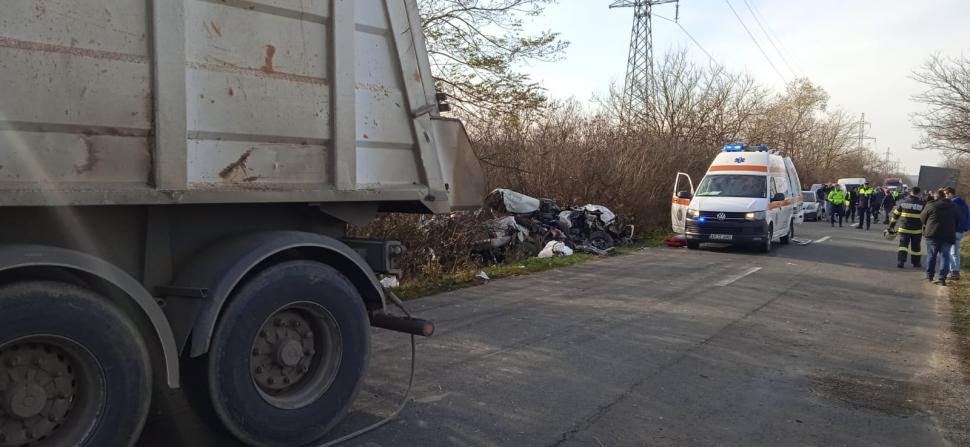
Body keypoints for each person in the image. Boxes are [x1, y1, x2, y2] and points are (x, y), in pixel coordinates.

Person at [921, 188, 961, 285]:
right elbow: (958, 220)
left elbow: (922, 218)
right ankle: (942, 278)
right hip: (948, 235)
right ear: (944, 196)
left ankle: (930, 275)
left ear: (936, 196)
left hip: (932, 234)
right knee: (945, 256)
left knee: (932, 255)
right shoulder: (954, 206)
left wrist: (928, 224)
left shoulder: (930, 205)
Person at [889, 187, 925, 269]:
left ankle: (900, 262)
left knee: (903, 246)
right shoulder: (922, 204)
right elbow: (926, 217)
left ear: (910, 192)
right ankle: (916, 263)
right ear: (919, 193)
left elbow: (895, 215)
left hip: (904, 229)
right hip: (916, 230)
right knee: (916, 247)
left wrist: (891, 226)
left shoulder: (903, 202)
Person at [945, 187, 970, 280]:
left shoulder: (951, 204)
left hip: (951, 230)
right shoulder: (964, 204)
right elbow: (968, 216)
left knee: (947, 251)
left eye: (946, 194)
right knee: (955, 251)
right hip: (960, 231)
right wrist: (966, 228)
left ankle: (950, 271)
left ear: (950, 194)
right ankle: (956, 271)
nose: (946, 196)